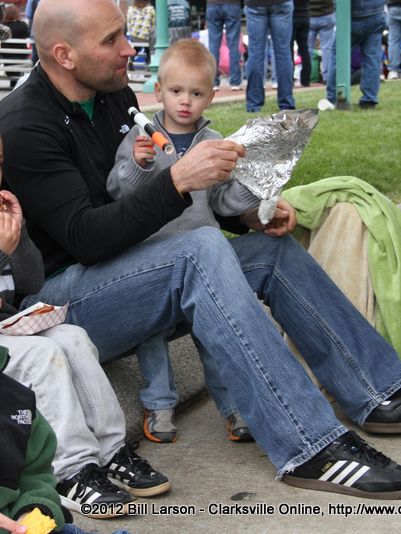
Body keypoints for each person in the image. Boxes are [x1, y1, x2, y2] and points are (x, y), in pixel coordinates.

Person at [0, 0, 401, 500]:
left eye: (125, 32)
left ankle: (385, 393)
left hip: (132, 271)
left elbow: (132, 200)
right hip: (58, 307)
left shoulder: (111, 92)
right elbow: (86, 237)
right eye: (112, 39)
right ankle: (310, 446)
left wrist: (242, 217)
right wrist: (177, 181)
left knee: (268, 251)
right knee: (198, 249)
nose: (130, 48)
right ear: (64, 55)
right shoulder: (23, 124)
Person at [0, 105, 170, 517]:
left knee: (73, 338)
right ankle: (70, 471)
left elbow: (29, 282)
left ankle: (112, 450)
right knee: (45, 355)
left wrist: (20, 235)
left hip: (0, 331)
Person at [107, 39, 259, 444]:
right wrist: (139, 165)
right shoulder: (141, 137)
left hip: (203, 261)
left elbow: (223, 201)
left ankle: (234, 406)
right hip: (151, 258)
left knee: (214, 335)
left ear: (210, 96)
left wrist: (254, 187)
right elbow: (118, 194)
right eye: (176, 91)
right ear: (159, 91)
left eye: (196, 93)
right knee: (151, 336)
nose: (185, 101)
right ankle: (159, 405)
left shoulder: (214, 141)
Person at [318, 0, 387, 109]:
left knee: (338, 54)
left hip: (355, 13)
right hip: (377, 11)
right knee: (372, 58)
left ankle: (333, 98)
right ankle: (369, 99)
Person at [244, 0, 295, 112]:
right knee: (283, 53)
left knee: (255, 53)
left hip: (255, 4)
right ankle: (286, 103)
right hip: (282, 3)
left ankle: (253, 104)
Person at [206, 0, 243, 91]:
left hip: (213, 4)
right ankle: (235, 82)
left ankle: (213, 82)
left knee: (213, 46)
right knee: (233, 44)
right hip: (232, 4)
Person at [308, 0, 337, 109]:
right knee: (327, 48)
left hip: (310, 14)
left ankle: (307, 76)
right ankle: (326, 76)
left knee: (308, 49)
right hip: (327, 13)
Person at [0, 4, 31, 87]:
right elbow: (27, 35)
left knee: (10, 64)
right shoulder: (23, 25)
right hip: (21, 54)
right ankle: (15, 82)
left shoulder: (2, 25)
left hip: (6, 55)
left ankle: (13, 81)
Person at [126, 0, 156, 66]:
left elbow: (128, 25)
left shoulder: (131, 9)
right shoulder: (151, 9)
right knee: (148, 48)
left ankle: (131, 60)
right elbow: (153, 25)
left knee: (138, 46)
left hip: (134, 36)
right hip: (146, 37)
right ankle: (148, 62)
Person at [292, 0, 312, 87]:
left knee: (289, 50)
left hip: (292, 16)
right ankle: (306, 79)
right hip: (305, 16)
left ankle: (290, 78)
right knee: (304, 50)